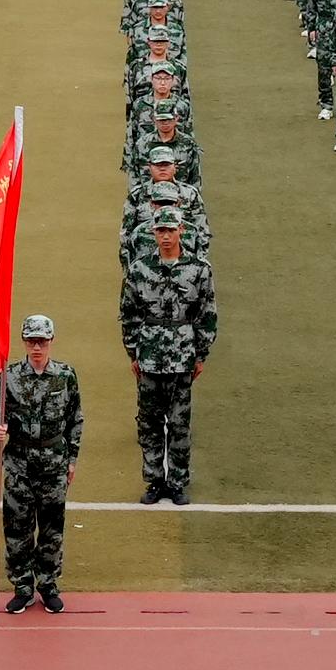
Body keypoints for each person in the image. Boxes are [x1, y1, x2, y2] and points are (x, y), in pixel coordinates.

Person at [0, 311, 84, 612]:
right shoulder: (8, 376)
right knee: (17, 528)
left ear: (51, 341)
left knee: (52, 529)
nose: (37, 348)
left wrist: (72, 459)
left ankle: (48, 585)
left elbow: (75, 419)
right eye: (31, 341)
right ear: (24, 342)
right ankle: (22, 587)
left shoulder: (66, 376)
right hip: (18, 462)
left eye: (42, 341)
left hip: (53, 460)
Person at [120, 202, 215, 507]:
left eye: (170, 230)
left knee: (179, 423)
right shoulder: (139, 270)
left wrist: (201, 354)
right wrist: (133, 353)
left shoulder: (199, 270)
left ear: (181, 231)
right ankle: (154, 480)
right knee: (148, 422)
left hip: (183, 354)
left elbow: (207, 314)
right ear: (153, 232)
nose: (165, 236)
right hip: (149, 354)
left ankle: (177, 482)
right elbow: (129, 313)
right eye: (160, 230)